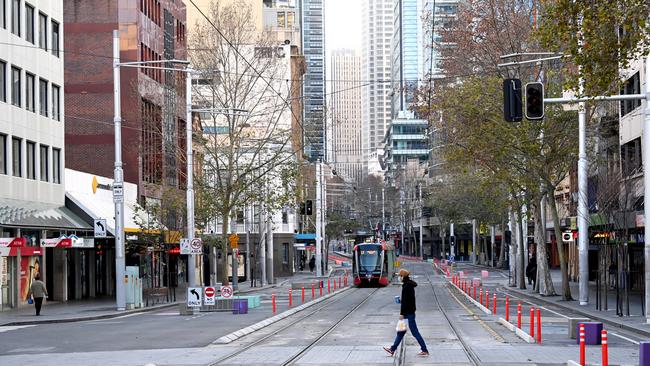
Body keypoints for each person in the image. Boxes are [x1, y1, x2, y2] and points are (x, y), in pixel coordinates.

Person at [384, 269, 429, 357]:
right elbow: (407, 300)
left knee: (415, 333)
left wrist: (402, 313)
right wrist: (401, 301)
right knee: (401, 332)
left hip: (409, 313)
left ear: (403, 276)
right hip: (409, 312)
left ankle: (424, 350)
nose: (399, 278)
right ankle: (392, 349)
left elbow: (406, 302)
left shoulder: (407, 286)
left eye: (399, 276)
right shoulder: (408, 285)